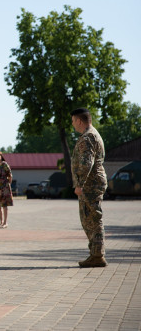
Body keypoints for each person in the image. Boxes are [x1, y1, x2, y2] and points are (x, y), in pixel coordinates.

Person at [71, 107, 108, 268]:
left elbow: (86, 163)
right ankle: (95, 253)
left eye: (73, 121)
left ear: (79, 121)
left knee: (92, 218)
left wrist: (80, 184)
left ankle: (97, 255)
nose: (73, 125)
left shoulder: (88, 137)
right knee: (90, 218)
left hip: (90, 185)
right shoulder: (93, 135)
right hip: (93, 183)